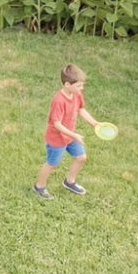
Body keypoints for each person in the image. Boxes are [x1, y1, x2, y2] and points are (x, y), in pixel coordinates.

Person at [33, 64, 103, 198]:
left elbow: (81, 109)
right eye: (78, 86)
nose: (81, 88)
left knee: (81, 157)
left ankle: (69, 182)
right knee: (52, 164)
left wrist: (94, 123)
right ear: (67, 84)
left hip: (70, 135)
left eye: (82, 85)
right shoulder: (58, 100)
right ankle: (39, 187)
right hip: (57, 138)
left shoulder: (76, 94)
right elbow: (57, 124)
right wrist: (74, 135)